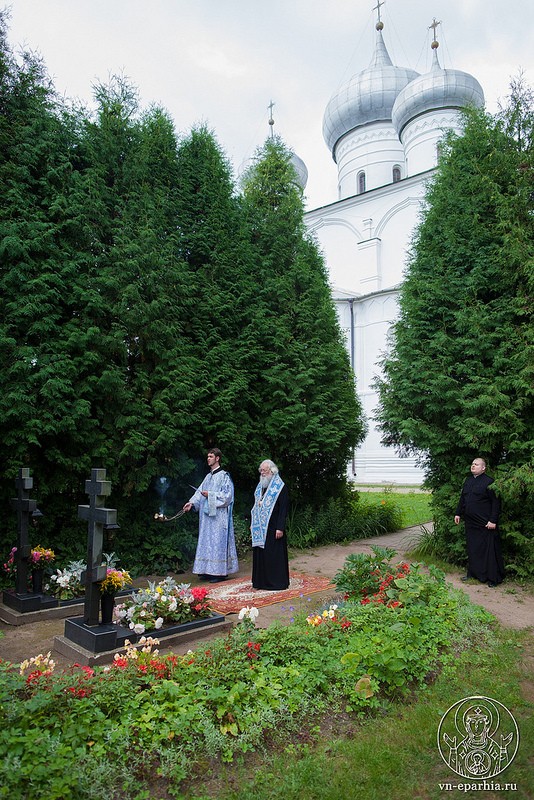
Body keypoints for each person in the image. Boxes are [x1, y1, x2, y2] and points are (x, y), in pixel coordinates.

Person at [183, 448, 238, 583]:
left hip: (219, 518)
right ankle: (207, 570)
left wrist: (210, 495)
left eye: (211, 456)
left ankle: (219, 573)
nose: (208, 459)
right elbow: (199, 493)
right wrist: (191, 503)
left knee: (217, 542)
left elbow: (227, 496)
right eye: (208, 456)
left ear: (217, 458)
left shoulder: (224, 476)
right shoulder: (208, 477)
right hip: (207, 518)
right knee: (207, 542)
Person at [454, 457, 504, 587]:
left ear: (483, 468)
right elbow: (463, 498)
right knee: (473, 548)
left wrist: (493, 520)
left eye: (476, 464)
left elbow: (496, 503)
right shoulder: (468, 481)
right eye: (472, 464)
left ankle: (492, 578)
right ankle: (473, 573)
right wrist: (458, 513)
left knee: (489, 550)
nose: (473, 466)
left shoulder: (490, 482)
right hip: (471, 522)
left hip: (485, 523)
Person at [250, 459, 290, 590]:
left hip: (274, 527)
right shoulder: (260, 487)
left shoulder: (280, 487)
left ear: (272, 471)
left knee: (273, 556)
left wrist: (280, 527)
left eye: (264, 470)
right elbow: (255, 506)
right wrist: (253, 523)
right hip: (260, 528)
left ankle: (276, 583)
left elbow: (283, 509)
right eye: (261, 470)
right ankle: (260, 582)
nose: (262, 473)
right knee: (261, 555)